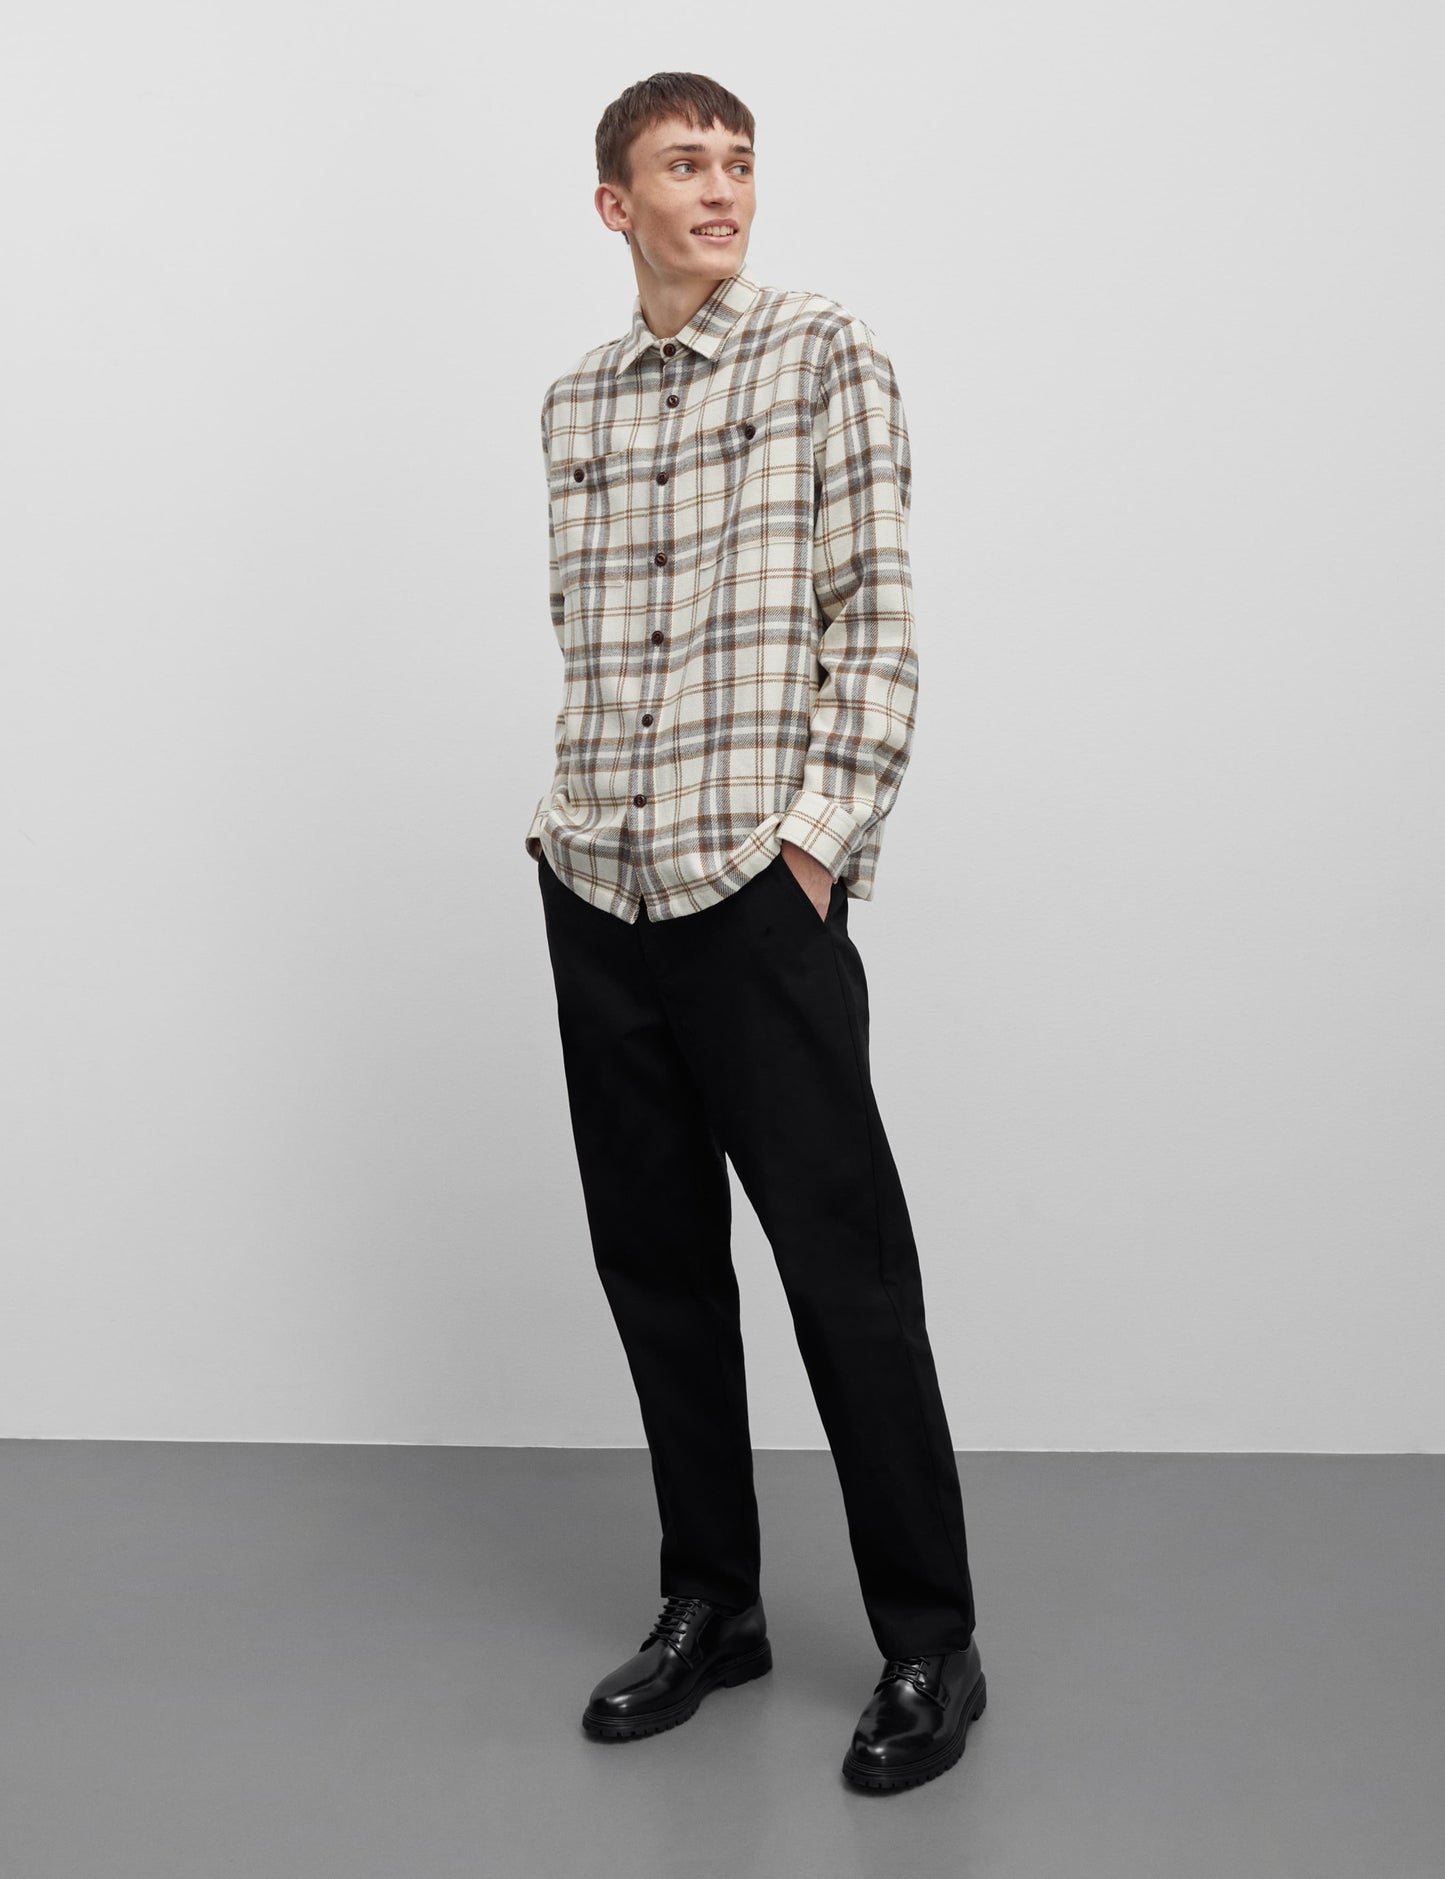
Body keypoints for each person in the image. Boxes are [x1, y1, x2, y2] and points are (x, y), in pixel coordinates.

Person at [524, 71, 987, 1793]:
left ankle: (931, 1642)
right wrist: (573, 826)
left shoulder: (821, 352)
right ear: (614, 203)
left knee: (841, 1270)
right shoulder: (572, 400)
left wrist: (814, 845)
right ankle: (711, 1603)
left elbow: (876, 614)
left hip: (750, 884)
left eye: (735, 163)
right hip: (599, 878)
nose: (719, 190)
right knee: (653, 1264)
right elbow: (591, 634)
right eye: (682, 164)